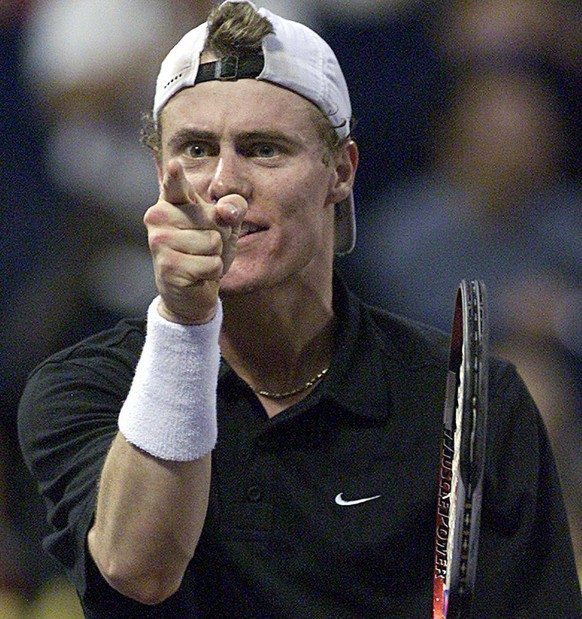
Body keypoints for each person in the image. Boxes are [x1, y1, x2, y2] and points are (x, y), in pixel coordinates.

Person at [17, 2, 581, 617]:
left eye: (264, 149)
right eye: (197, 150)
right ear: (160, 174)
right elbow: (139, 570)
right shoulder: (86, 386)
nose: (224, 183)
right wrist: (184, 323)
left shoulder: (471, 398)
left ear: (339, 170)